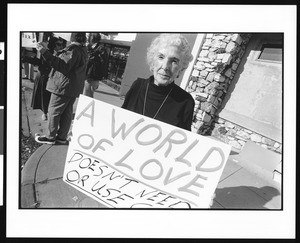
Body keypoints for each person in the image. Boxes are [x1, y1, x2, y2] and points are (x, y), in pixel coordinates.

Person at [121, 33, 195, 131]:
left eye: (174, 61)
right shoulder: (137, 86)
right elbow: (120, 121)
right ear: (152, 62)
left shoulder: (186, 102)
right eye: (161, 57)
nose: (165, 67)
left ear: (181, 69)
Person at [34, 32, 88, 144]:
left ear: (72, 37)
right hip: (73, 87)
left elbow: (63, 65)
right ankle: (61, 137)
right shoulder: (83, 50)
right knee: (67, 113)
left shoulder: (73, 49)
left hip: (63, 86)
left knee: (54, 111)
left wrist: (44, 52)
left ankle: (50, 137)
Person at [22, 36, 64, 121]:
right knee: (44, 97)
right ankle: (45, 113)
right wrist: (26, 58)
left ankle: (49, 112)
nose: (61, 46)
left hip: (51, 79)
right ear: (53, 45)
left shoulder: (59, 53)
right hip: (44, 77)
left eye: (61, 44)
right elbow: (40, 62)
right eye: (58, 44)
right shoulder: (47, 53)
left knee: (49, 97)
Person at [83, 33, 103, 98]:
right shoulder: (90, 47)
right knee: (86, 93)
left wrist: (90, 52)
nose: (88, 38)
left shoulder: (101, 48)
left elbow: (101, 62)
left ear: (92, 38)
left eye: (89, 36)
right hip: (88, 75)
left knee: (88, 94)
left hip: (93, 76)